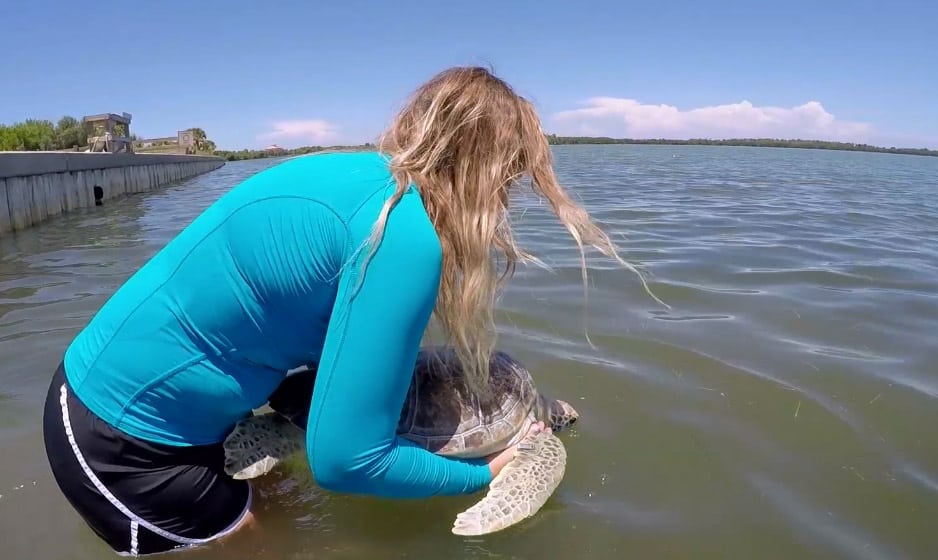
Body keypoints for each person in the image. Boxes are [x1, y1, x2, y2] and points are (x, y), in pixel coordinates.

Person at [42, 65, 653, 557]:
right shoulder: (404, 237)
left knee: (277, 509)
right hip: (124, 441)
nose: (505, 201)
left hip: (156, 404)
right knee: (268, 549)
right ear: (487, 172)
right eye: (510, 181)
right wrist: (488, 473)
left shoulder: (350, 176)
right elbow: (348, 462)